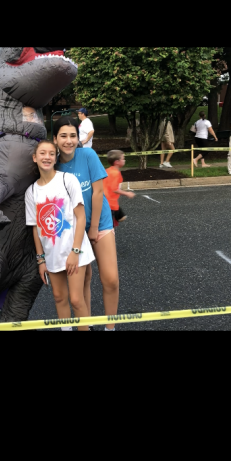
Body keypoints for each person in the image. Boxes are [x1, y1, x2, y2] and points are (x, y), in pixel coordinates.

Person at [54, 117, 119, 332]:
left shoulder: (88, 155)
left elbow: (98, 192)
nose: (69, 140)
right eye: (63, 136)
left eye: (73, 135)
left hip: (99, 224)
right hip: (73, 231)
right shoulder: (53, 166)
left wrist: (93, 229)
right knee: (84, 280)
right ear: (55, 139)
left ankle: (110, 327)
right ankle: (87, 324)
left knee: (110, 279)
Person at [26, 138, 95, 332]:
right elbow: (35, 227)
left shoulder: (67, 180)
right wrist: (40, 260)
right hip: (52, 253)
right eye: (42, 153)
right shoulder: (31, 192)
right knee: (59, 297)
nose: (47, 157)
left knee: (76, 299)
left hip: (75, 248)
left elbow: (81, 218)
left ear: (56, 158)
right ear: (34, 158)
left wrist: (75, 251)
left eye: (51, 153)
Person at [104, 150, 136, 225]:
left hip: (106, 201)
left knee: (122, 217)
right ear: (117, 162)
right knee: (108, 227)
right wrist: (127, 193)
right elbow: (114, 189)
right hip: (110, 204)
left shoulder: (107, 170)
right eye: (123, 158)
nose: (124, 160)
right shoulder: (116, 173)